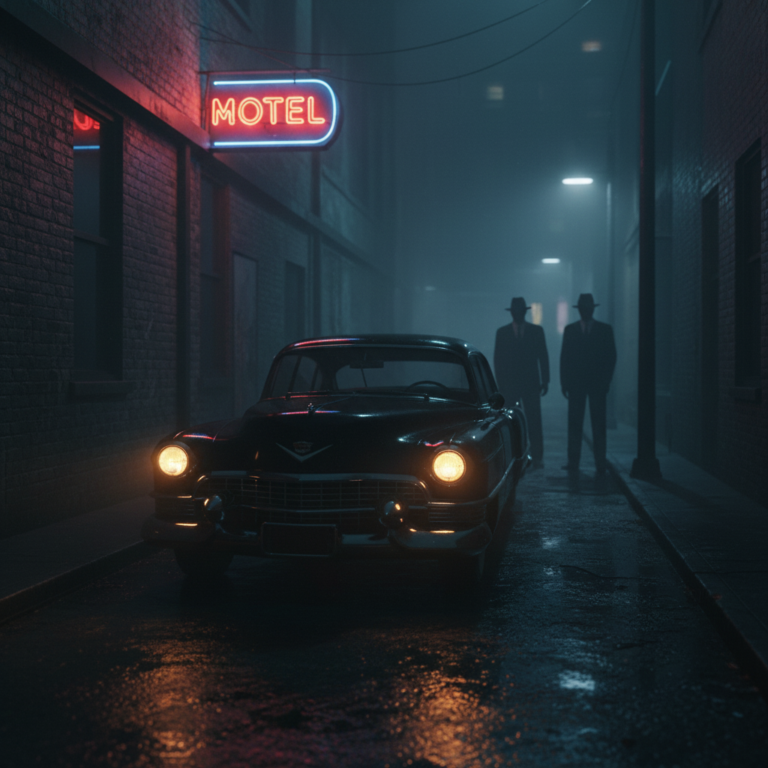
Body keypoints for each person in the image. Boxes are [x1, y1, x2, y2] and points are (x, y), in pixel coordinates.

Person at [560, 293, 617, 476]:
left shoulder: (604, 330)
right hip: (577, 385)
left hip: (596, 385)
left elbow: (611, 358)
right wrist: (565, 382)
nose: (585, 311)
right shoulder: (571, 330)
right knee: (575, 424)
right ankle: (573, 461)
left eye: (587, 308)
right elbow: (565, 359)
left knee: (598, 425)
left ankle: (600, 463)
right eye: (583, 308)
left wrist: (606, 381)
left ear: (592, 309)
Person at [494, 297, 550, 469]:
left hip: (529, 384)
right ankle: (514, 454)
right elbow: (498, 360)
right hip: (512, 384)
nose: (518, 314)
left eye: (520, 311)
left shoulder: (534, 331)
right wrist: (501, 383)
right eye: (516, 311)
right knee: (511, 420)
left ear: (523, 312)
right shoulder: (504, 333)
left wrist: (545, 380)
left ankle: (537, 456)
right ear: (513, 312)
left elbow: (543, 356)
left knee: (533, 420)